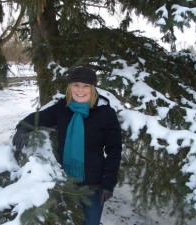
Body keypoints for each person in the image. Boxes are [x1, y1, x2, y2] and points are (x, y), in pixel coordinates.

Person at [12, 66, 122, 225]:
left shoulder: (105, 113)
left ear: (93, 88)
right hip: (64, 183)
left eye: (86, 86)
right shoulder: (62, 108)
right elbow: (37, 118)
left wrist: (108, 184)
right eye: (76, 85)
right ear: (70, 87)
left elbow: (114, 149)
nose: (80, 90)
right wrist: (22, 127)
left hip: (94, 187)